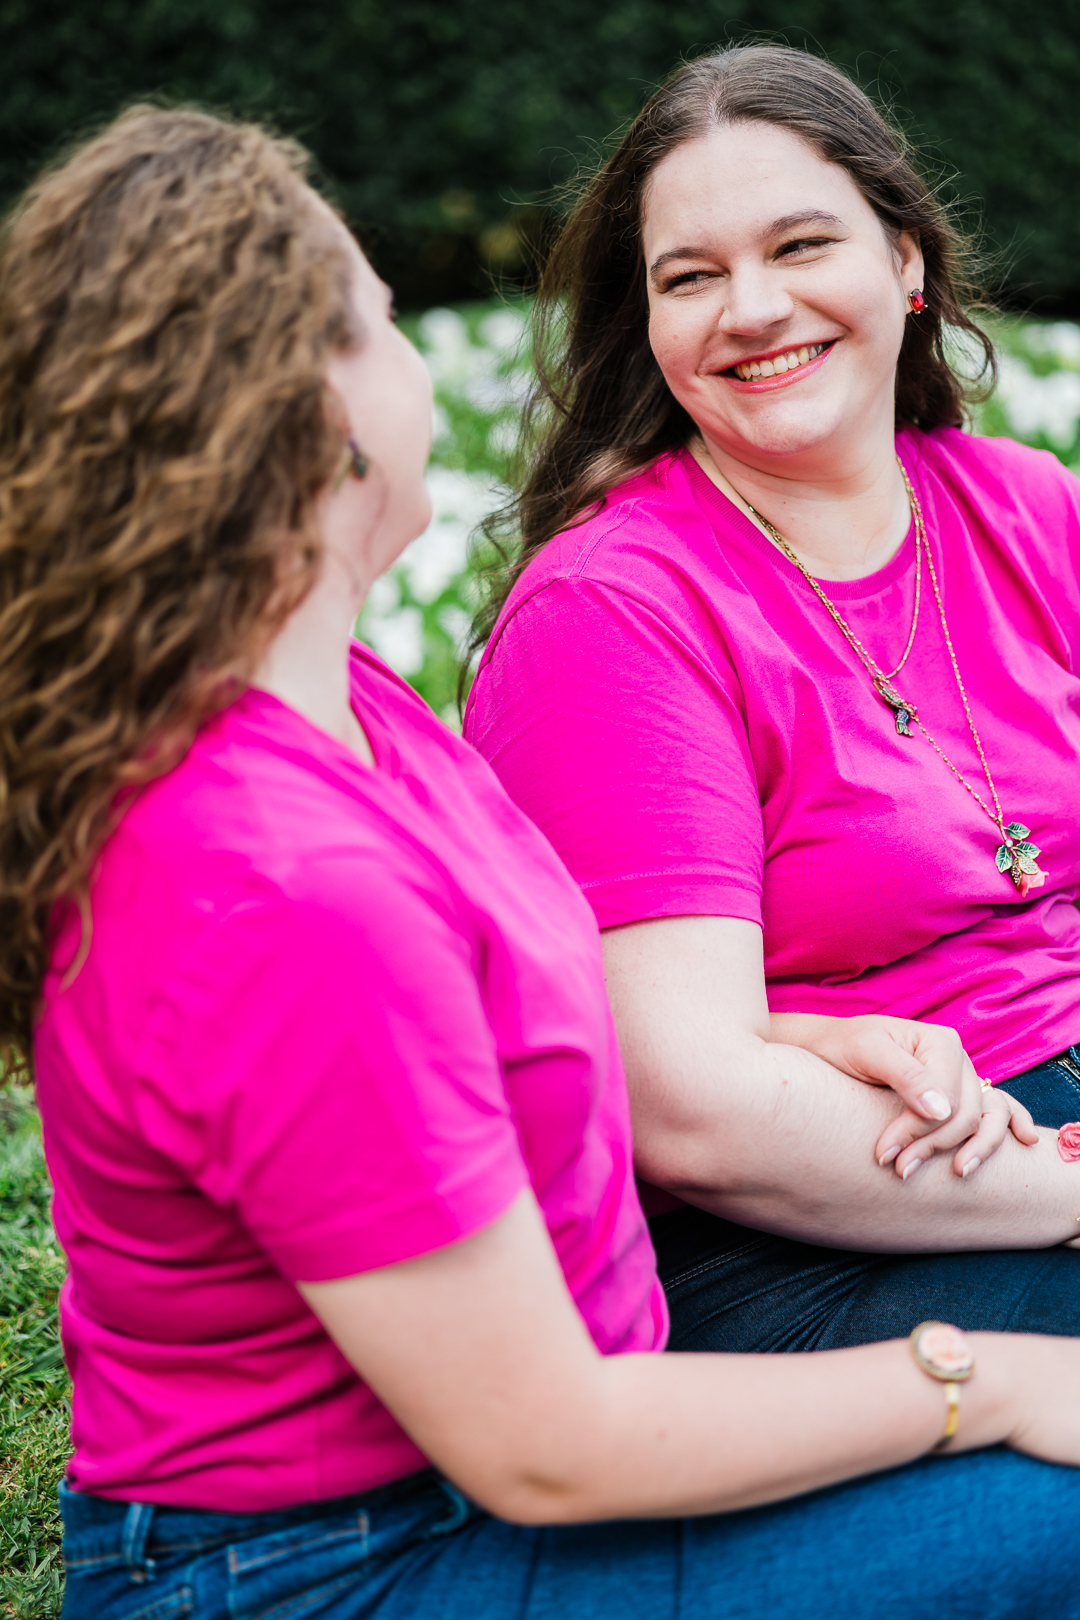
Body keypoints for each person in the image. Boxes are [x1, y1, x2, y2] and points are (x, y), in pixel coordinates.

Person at [4, 103, 1080, 1620]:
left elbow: (516, 997)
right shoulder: (280, 882)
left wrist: (799, 1030)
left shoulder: (352, 711)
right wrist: (985, 1387)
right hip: (335, 1567)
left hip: (512, 1453)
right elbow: (545, 1448)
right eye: (383, 319)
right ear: (310, 415)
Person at [463, 43, 1080, 1352]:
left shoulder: (1025, 507)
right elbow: (694, 1113)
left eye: (802, 245)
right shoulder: (615, 614)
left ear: (905, 261)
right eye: (692, 276)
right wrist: (1060, 1190)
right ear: (650, 323)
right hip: (827, 1212)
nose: (751, 307)